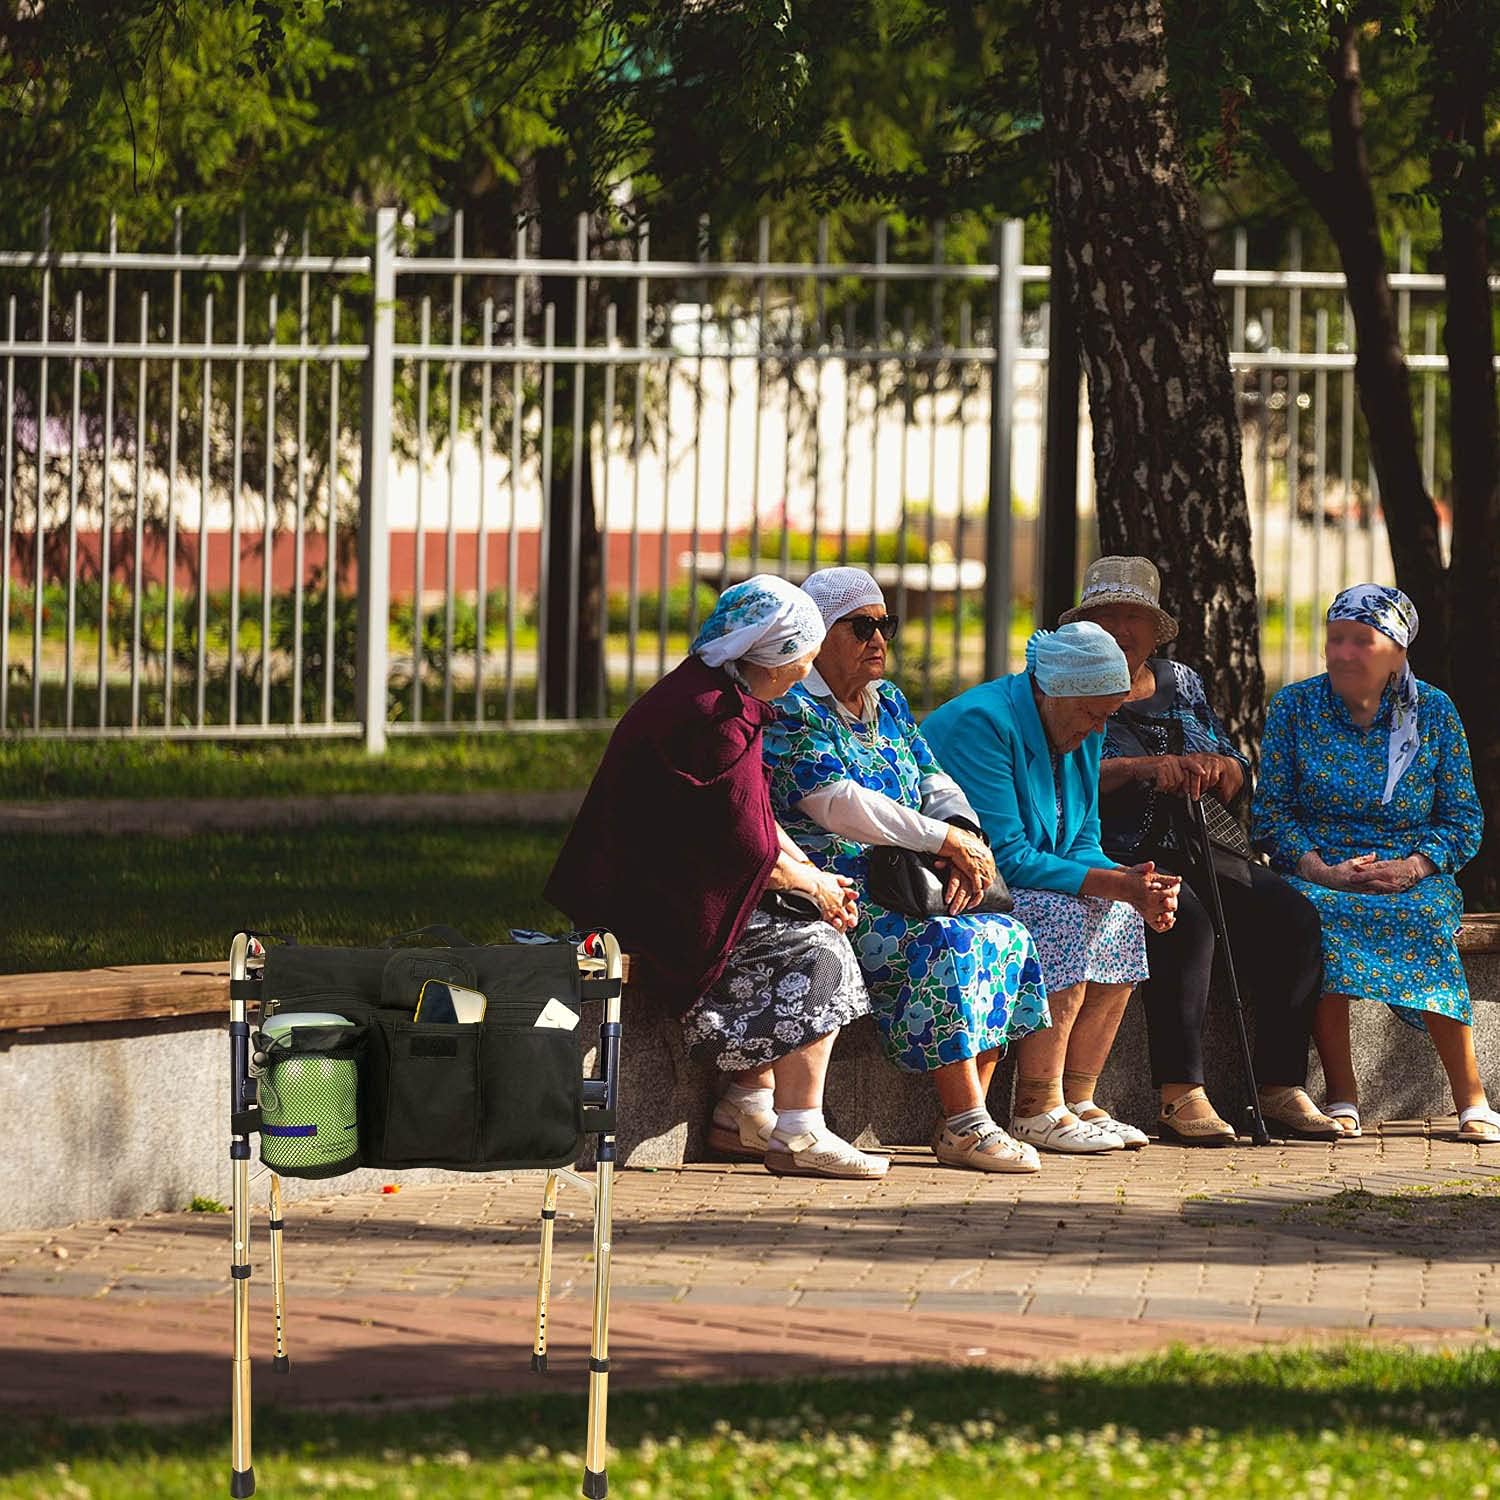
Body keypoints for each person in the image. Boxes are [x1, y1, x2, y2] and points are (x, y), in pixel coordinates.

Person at [545, 574, 889, 1179]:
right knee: (819, 947)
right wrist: (816, 887)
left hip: (668, 886)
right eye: (800, 663)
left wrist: (811, 874)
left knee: (805, 914)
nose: (800, 678)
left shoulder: (718, 694)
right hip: (643, 908)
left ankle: (747, 1110)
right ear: (775, 657)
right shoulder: (711, 717)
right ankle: (799, 1133)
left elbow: (749, 808)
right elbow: (744, 844)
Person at [762, 566, 1051, 1174]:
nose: (878, 640)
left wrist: (967, 840)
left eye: (884, 625)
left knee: (1006, 934)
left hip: (914, 876)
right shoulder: (791, 704)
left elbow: (932, 778)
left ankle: (967, 1121)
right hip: (840, 884)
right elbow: (836, 803)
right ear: (818, 635)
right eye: (860, 626)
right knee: (943, 942)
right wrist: (942, 839)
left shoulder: (886, 700)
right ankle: (967, 1122)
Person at [1067, 555, 1341, 1144]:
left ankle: (1279, 1087)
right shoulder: (1066, 682)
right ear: (1085, 625)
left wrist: (1219, 767)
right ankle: (1179, 1092)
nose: (1121, 629)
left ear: (1153, 627)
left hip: (1197, 839)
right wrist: (1143, 768)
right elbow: (1061, 774)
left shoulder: (1180, 680)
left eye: (1133, 617)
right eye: (1107, 616)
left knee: (1291, 913)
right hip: (1110, 846)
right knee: (1183, 917)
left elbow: (1234, 766)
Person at [923, 621, 1180, 1153]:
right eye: (1091, 713)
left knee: (1121, 915)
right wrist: (1115, 883)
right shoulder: (984, 722)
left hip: (1024, 877)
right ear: (1052, 691)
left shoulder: (1083, 722)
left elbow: (1083, 837)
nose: (1095, 729)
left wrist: (1133, 885)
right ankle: (1036, 1106)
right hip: (958, 881)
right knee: (1060, 915)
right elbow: (1007, 858)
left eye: (1105, 716)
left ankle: (1076, 1099)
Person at [1252, 583, 1496, 1143]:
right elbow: (1272, 815)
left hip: (1411, 871)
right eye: (1335, 639)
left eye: (1362, 641)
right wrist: (1319, 869)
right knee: (1312, 918)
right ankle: (1342, 1095)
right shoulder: (1295, 706)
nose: (1342, 652)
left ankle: (1472, 1098)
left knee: (1425, 916)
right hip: (1323, 872)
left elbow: (1463, 819)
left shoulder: (1433, 712)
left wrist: (1413, 867)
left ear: (1398, 652)